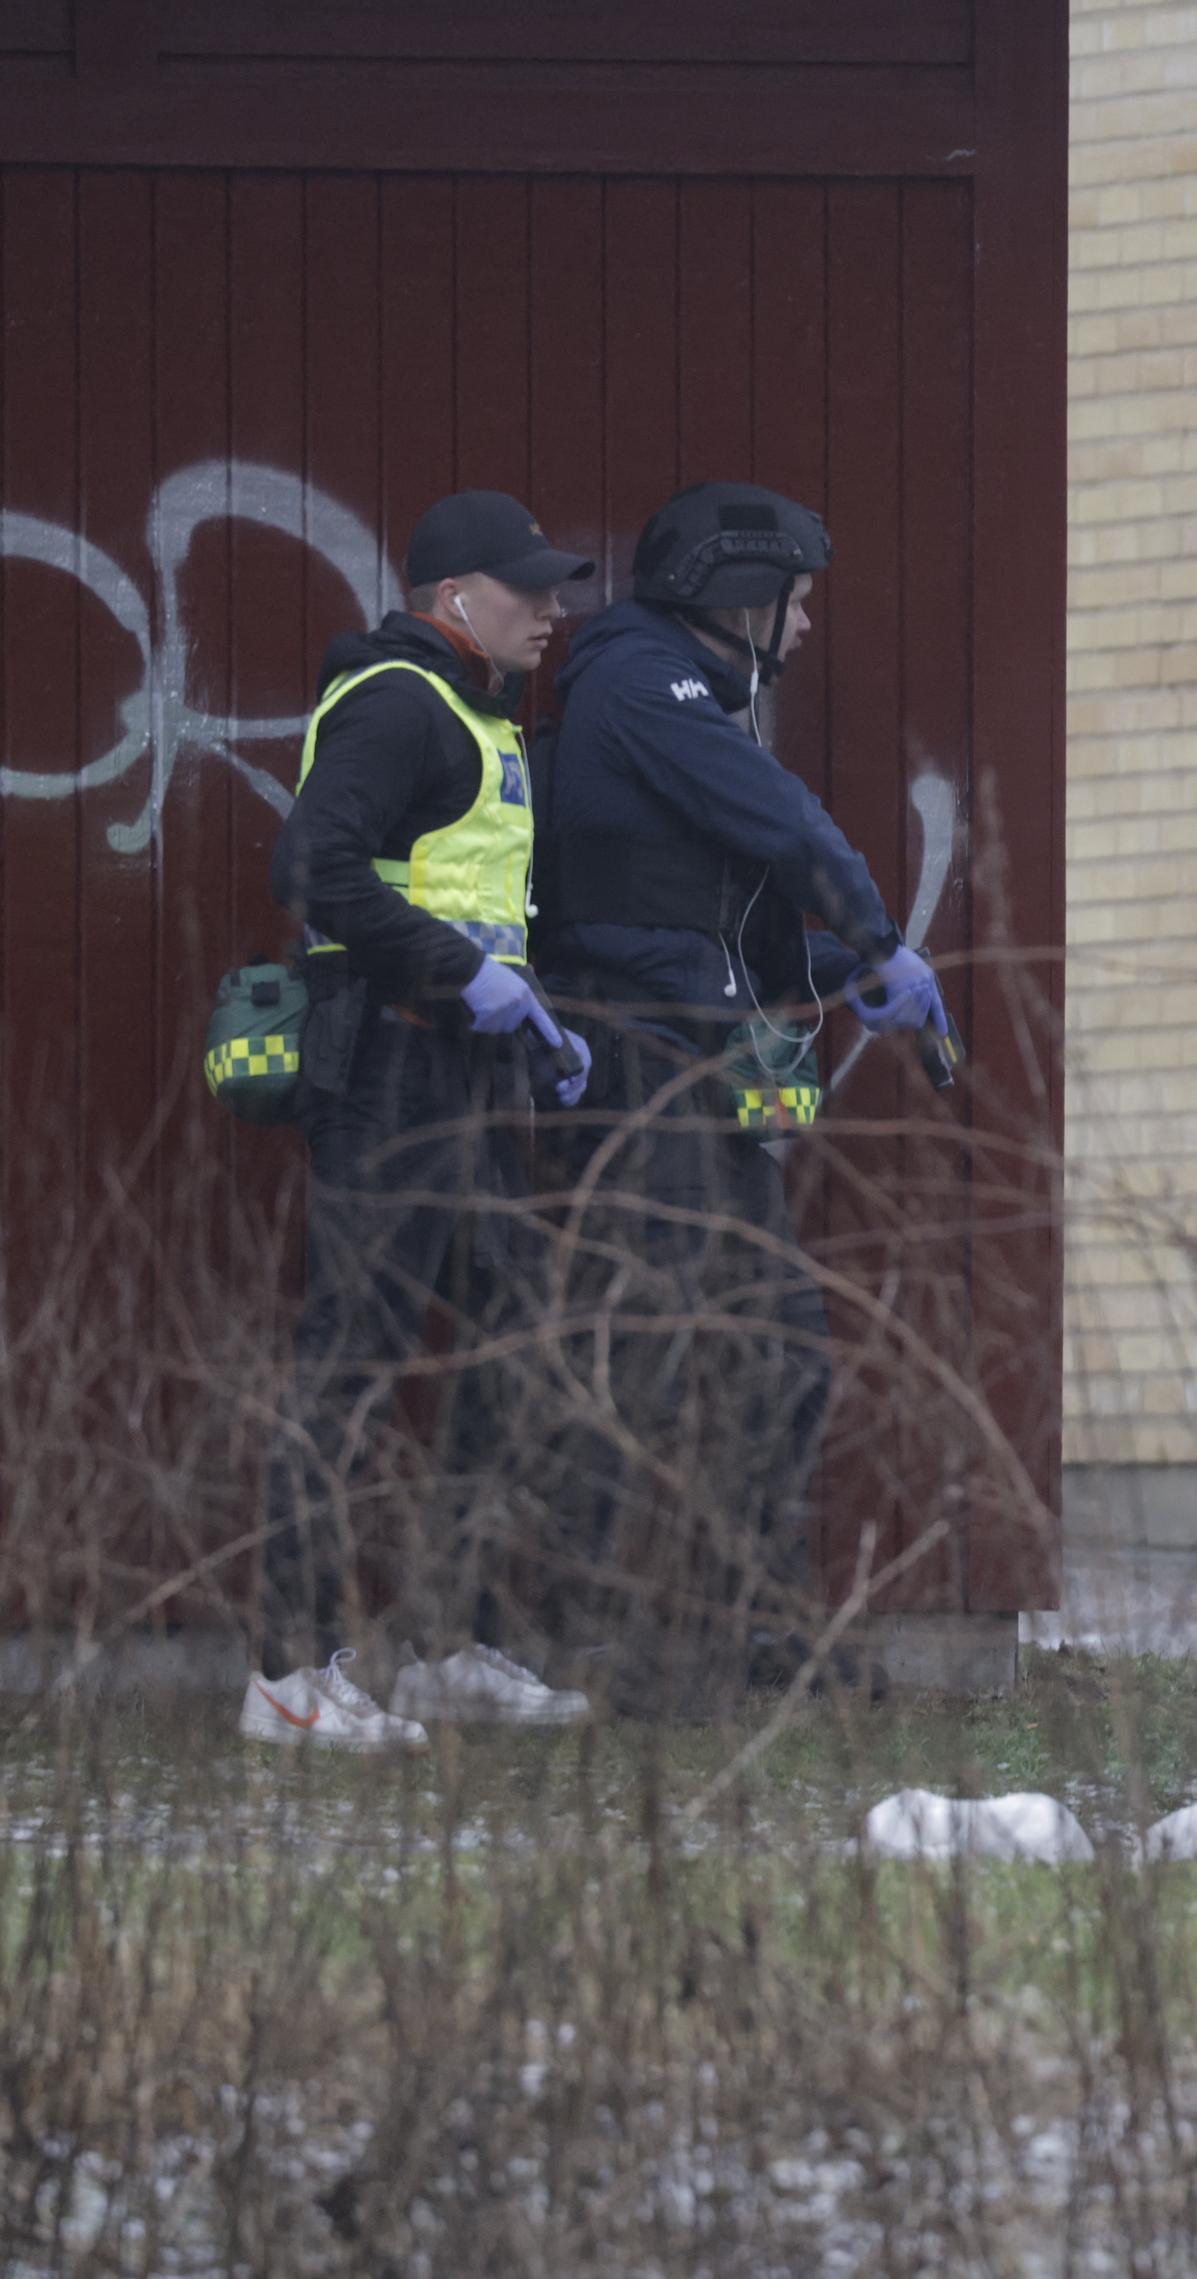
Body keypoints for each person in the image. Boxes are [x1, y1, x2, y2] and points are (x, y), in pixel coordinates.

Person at [529, 481, 949, 1717]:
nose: (808, 627)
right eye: (797, 602)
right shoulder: (635, 684)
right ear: (737, 598)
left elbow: (727, 919)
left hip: (703, 1057)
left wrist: (842, 973)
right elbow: (784, 827)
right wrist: (873, 930)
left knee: (777, 1351)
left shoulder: (699, 702)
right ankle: (594, 1640)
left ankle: (757, 1625)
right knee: (649, 1350)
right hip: (638, 1060)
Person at [246, 490, 603, 1746]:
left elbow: (464, 903)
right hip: (389, 1072)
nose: (554, 611)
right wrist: (465, 979)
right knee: (349, 1365)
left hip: (462, 1076)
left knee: (512, 1344)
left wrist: (535, 1020)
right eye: (531, 590)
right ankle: (286, 1683)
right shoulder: (401, 704)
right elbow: (313, 870)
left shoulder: (474, 714)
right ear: (455, 600)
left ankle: (453, 1643)